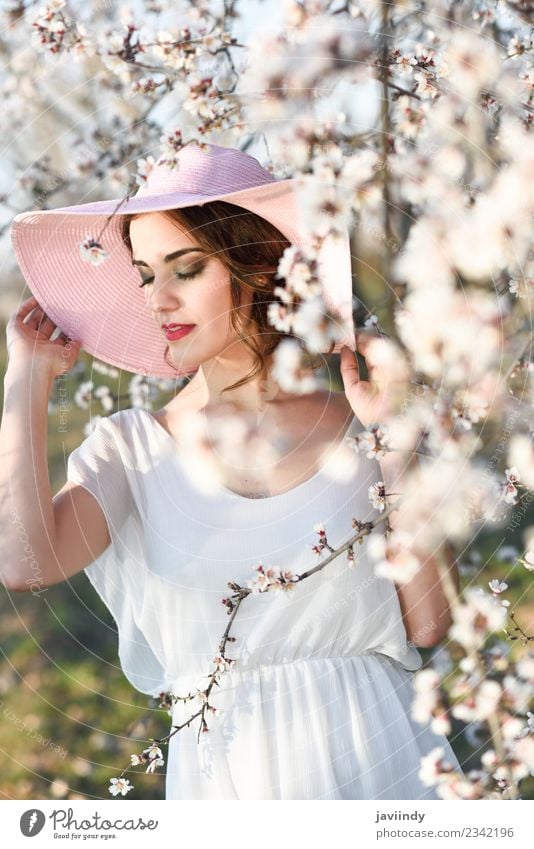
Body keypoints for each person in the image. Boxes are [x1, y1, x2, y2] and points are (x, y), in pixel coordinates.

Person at [1, 142, 463, 799]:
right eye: (144, 273)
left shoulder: (361, 421)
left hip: (379, 759)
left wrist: (397, 441)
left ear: (253, 266)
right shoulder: (131, 449)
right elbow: (24, 564)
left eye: (185, 269)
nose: (158, 299)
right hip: (229, 784)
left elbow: (429, 622)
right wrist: (28, 380)